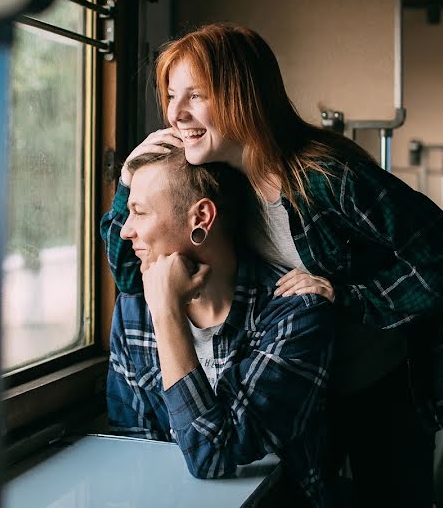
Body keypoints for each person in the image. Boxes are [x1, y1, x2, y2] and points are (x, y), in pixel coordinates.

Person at [101, 23, 443, 507]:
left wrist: (347, 295)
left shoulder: (329, 177)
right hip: (304, 381)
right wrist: (126, 182)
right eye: (171, 96)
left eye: (195, 96)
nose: (175, 114)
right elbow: (129, 274)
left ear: (241, 96)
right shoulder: (217, 176)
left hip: (378, 376)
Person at [103, 146, 334, 507]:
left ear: (202, 218)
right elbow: (137, 448)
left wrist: (167, 314)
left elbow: (214, 455)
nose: (125, 231)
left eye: (140, 213)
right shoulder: (132, 311)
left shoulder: (295, 314)